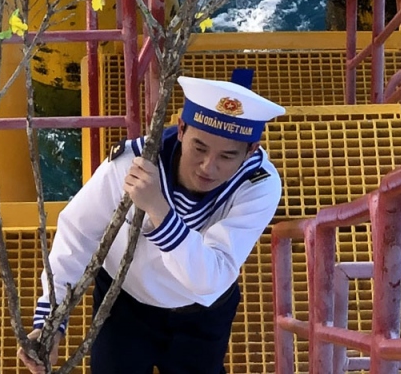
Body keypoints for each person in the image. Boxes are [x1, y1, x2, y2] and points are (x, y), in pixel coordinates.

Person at [21, 71, 285, 374]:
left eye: (227, 156)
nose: (208, 167)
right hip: (124, 303)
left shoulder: (258, 186)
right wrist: (50, 321)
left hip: (202, 315)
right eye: (199, 148)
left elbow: (211, 275)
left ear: (251, 151)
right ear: (181, 128)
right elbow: (79, 233)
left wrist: (159, 210)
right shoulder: (130, 163)